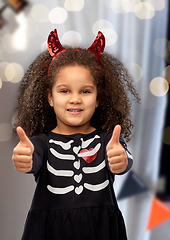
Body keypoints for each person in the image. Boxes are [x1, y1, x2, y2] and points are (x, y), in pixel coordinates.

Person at [12, 29, 140, 240]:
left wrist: (122, 160)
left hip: (101, 231)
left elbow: (124, 158)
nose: (75, 99)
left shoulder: (108, 141)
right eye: (64, 91)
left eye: (85, 91)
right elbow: (31, 159)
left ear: (98, 98)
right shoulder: (41, 144)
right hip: (50, 233)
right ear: (50, 98)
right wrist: (23, 158)